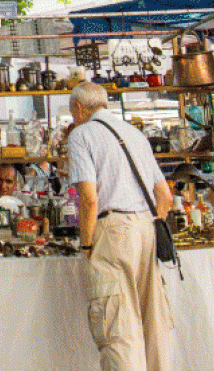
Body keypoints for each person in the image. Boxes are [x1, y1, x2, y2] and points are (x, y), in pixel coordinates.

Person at [65, 81, 175, 371]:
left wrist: (87, 244)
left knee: (117, 328)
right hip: (146, 227)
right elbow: (164, 195)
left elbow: (89, 199)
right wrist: (153, 225)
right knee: (154, 321)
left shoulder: (82, 134)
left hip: (112, 229)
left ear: (78, 108)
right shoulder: (134, 133)